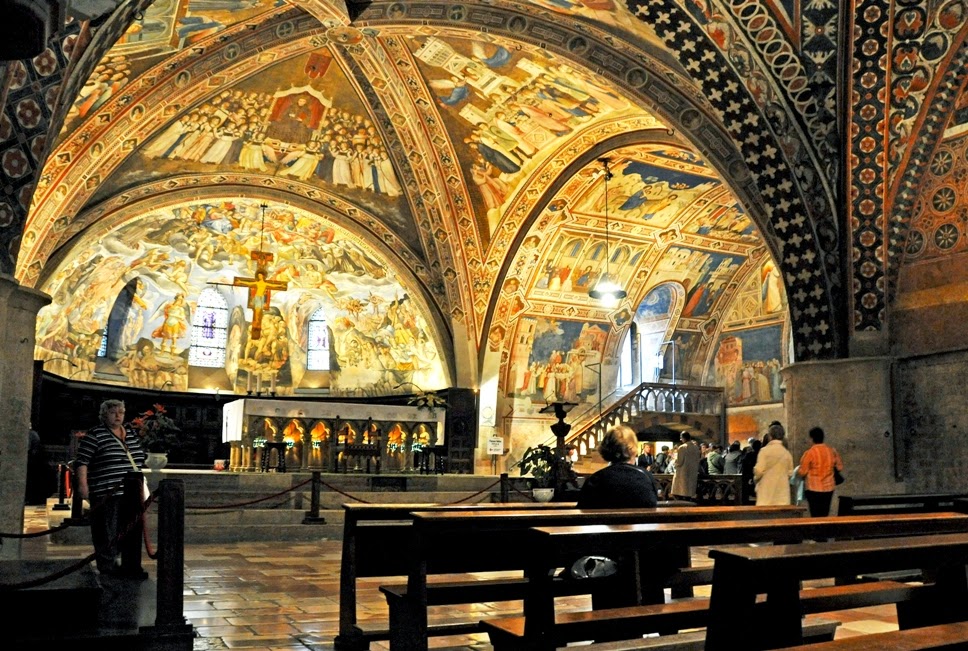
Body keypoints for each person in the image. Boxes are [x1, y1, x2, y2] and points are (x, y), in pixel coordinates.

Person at [74, 399, 147, 577]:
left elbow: (139, 458)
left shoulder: (129, 433)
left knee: (129, 529)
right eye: (113, 412)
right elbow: (82, 462)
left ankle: (129, 564)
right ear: (104, 415)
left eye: (121, 412)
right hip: (107, 491)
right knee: (107, 530)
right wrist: (83, 487)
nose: (118, 416)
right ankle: (107, 566)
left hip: (131, 492)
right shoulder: (95, 434)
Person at [577, 426, 659, 509]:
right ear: (633, 449)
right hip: (641, 521)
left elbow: (582, 510)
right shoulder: (646, 477)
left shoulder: (595, 479)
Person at [797, 426, 844, 517]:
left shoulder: (810, 453)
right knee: (824, 513)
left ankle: (817, 530)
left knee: (815, 514)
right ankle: (824, 530)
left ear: (812, 439)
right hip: (828, 487)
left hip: (813, 488)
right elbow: (839, 467)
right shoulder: (831, 451)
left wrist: (798, 471)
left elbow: (803, 471)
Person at [753, 421, 794, 506]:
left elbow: (759, 471)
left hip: (766, 492)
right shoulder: (786, 453)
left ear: (770, 436)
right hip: (782, 494)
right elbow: (790, 473)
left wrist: (755, 478)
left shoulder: (764, 451)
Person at [670, 431, 701, 501]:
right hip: (692, 473)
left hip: (683, 474)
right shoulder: (696, 447)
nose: (680, 440)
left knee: (680, 494)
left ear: (684, 438)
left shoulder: (682, 447)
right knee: (689, 495)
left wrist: (674, 459)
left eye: (681, 438)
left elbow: (679, 462)